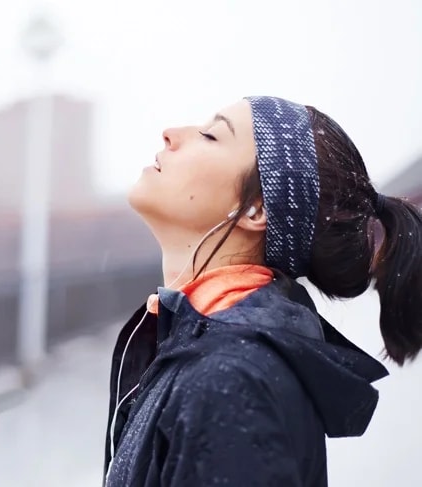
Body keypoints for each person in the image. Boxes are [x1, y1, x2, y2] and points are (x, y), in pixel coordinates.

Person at [103, 96, 422, 486]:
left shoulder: (230, 385)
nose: (171, 134)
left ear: (256, 208)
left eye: (210, 135)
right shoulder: (207, 355)